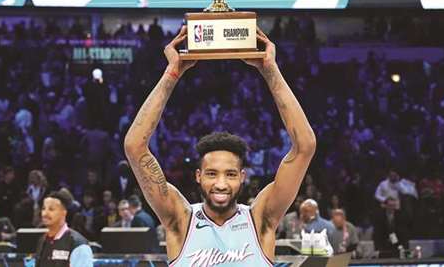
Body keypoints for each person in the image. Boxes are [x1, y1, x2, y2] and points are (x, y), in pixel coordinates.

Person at [123, 26, 316, 266]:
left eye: (230, 174)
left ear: (242, 177)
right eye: (212, 174)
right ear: (198, 176)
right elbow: (134, 147)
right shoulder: (180, 220)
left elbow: (305, 146)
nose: (221, 184)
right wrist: (171, 74)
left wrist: (270, 70)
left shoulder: (261, 219)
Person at [35, 191, 93, 267]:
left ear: (63, 213)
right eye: (43, 208)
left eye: (51, 209)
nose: (45, 213)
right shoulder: (42, 240)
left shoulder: (79, 245)